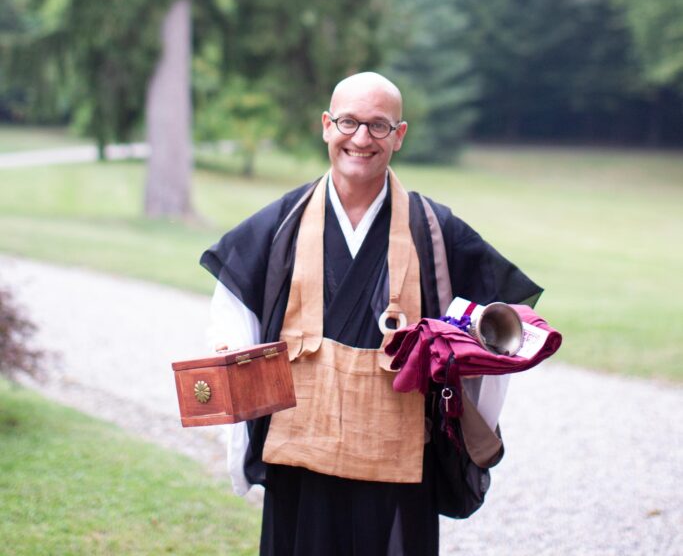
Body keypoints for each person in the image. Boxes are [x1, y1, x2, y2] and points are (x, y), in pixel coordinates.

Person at [200, 71, 541, 556]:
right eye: (348, 122)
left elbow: (493, 332)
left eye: (379, 126)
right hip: (302, 457)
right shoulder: (284, 222)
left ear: (399, 135)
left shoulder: (434, 229)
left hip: (398, 458)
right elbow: (233, 315)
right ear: (325, 125)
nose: (361, 138)